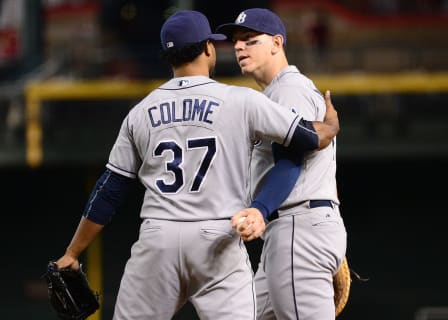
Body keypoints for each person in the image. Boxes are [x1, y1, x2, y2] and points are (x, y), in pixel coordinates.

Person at [54, 9, 339, 320]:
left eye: (248, 40)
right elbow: (310, 137)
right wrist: (331, 126)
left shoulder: (139, 112)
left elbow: (109, 190)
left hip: (158, 238)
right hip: (216, 237)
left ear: (167, 56)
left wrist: (72, 252)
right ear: (208, 48)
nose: (238, 47)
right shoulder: (240, 100)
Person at [217, 8, 347, 320]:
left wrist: (261, 210)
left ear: (277, 42)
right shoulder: (274, 93)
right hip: (293, 229)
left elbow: (291, 162)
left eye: (250, 39)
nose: (239, 46)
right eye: (236, 41)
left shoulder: (289, 88)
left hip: (297, 227)